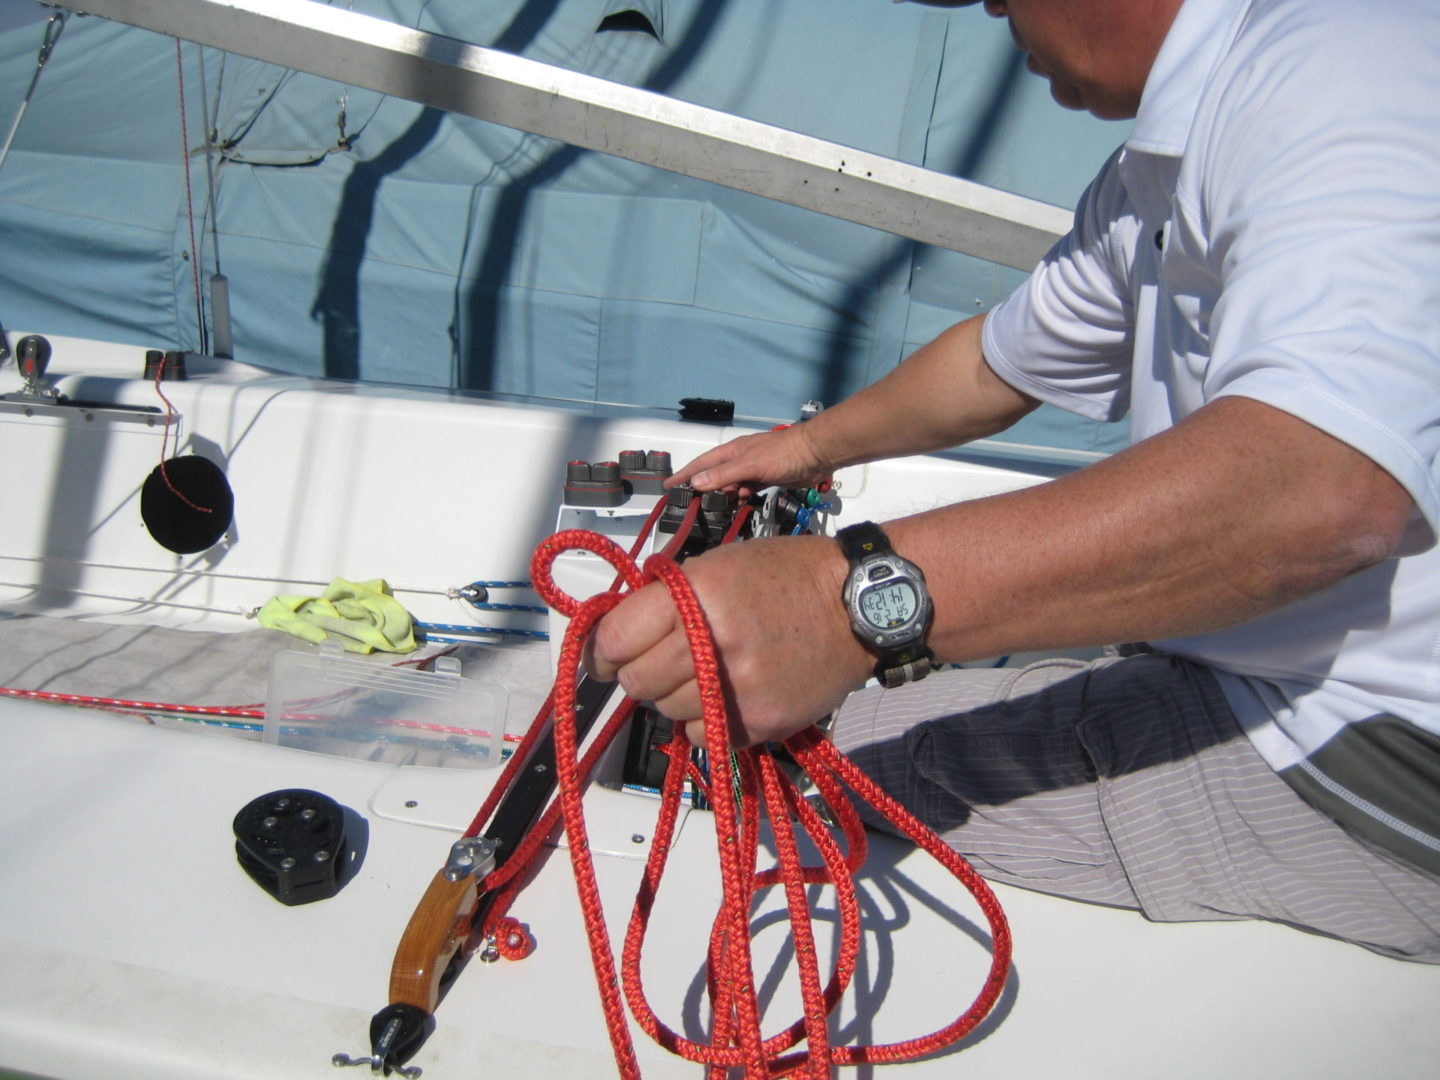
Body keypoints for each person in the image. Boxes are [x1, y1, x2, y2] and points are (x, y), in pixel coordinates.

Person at [588, 0, 1440, 961]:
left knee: (767, 793)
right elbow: (995, 368)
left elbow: (1323, 489)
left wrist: (850, 605)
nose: (993, 9)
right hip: (1261, 680)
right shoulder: (1174, 152)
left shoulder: (1347, 68)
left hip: (1362, 768)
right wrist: (810, 449)